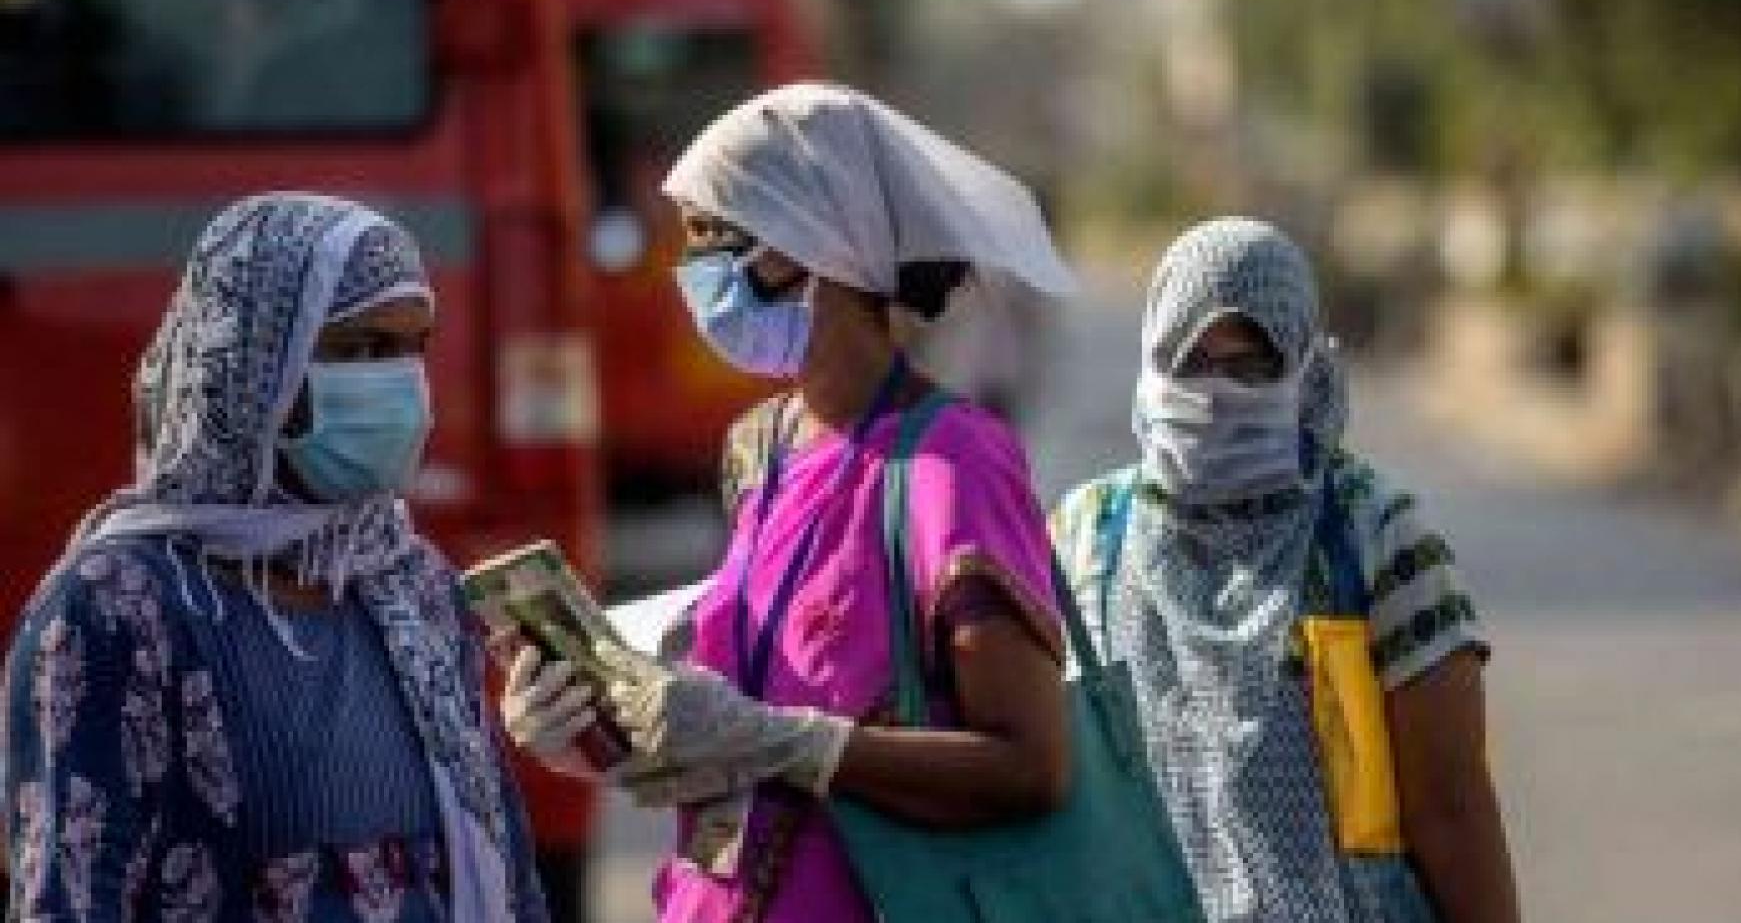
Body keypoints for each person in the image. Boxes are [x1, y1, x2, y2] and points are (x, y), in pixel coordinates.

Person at [502, 83, 1077, 923]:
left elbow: (1030, 766)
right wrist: (594, 733)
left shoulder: (952, 464)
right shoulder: (758, 449)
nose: (690, 274)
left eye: (711, 240)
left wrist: (794, 743)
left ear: (809, 246)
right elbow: (736, 703)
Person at [2, 193, 547, 920]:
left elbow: (506, 869)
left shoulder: (413, 587)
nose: (399, 383)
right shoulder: (122, 606)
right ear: (256, 368)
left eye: (413, 347)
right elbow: (71, 894)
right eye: (359, 350)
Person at [1048, 218, 1521, 923]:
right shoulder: (1088, 535)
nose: (1216, 393)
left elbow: (1450, 809)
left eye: (1250, 367)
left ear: (1304, 368)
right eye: (1192, 362)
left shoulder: (1374, 534)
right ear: (1153, 365)